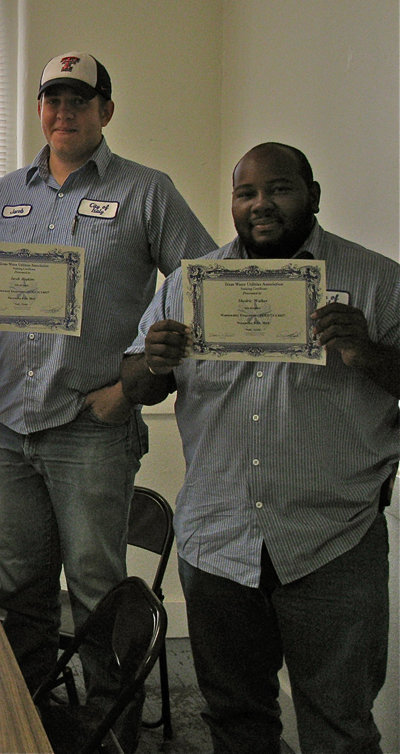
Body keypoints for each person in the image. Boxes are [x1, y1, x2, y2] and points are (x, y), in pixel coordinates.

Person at [0, 51, 215, 724]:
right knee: (22, 588)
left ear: (106, 111)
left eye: (79, 101)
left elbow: (206, 286)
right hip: (7, 427)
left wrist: (132, 380)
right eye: (52, 100)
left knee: (97, 591)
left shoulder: (147, 191)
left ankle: (109, 728)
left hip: (92, 428)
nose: (63, 113)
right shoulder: (4, 193)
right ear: (39, 109)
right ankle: (28, 716)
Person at [122, 142, 398, 753]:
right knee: (237, 721)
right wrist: (154, 360)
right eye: (246, 193)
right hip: (219, 541)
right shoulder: (191, 286)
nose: (261, 205)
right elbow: (138, 386)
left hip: (333, 543)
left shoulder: (378, 281)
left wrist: (368, 354)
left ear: (313, 196)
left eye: (279, 189)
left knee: (341, 727)